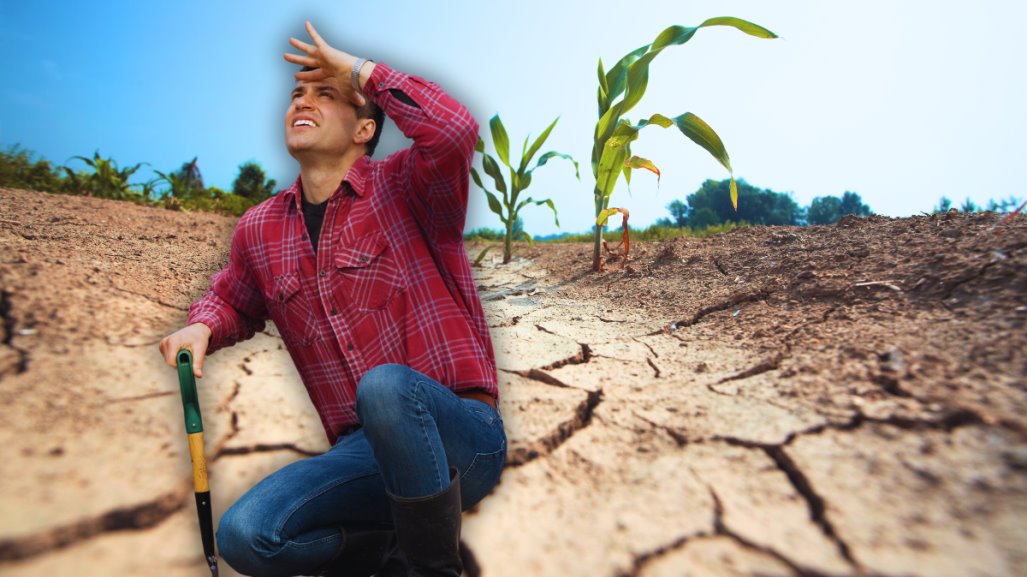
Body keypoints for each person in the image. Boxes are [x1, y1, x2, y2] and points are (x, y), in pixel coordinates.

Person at [158, 20, 506, 577]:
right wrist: (202, 326)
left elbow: (454, 129)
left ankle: (434, 570)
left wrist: (359, 70)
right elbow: (232, 299)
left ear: (365, 127)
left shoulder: (410, 187)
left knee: (387, 387)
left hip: (461, 439)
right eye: (298, 93)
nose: (303, 100)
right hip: (362, 452)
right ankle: (382, 549)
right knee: (246, 535)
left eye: (327, 93)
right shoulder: (260, 228)